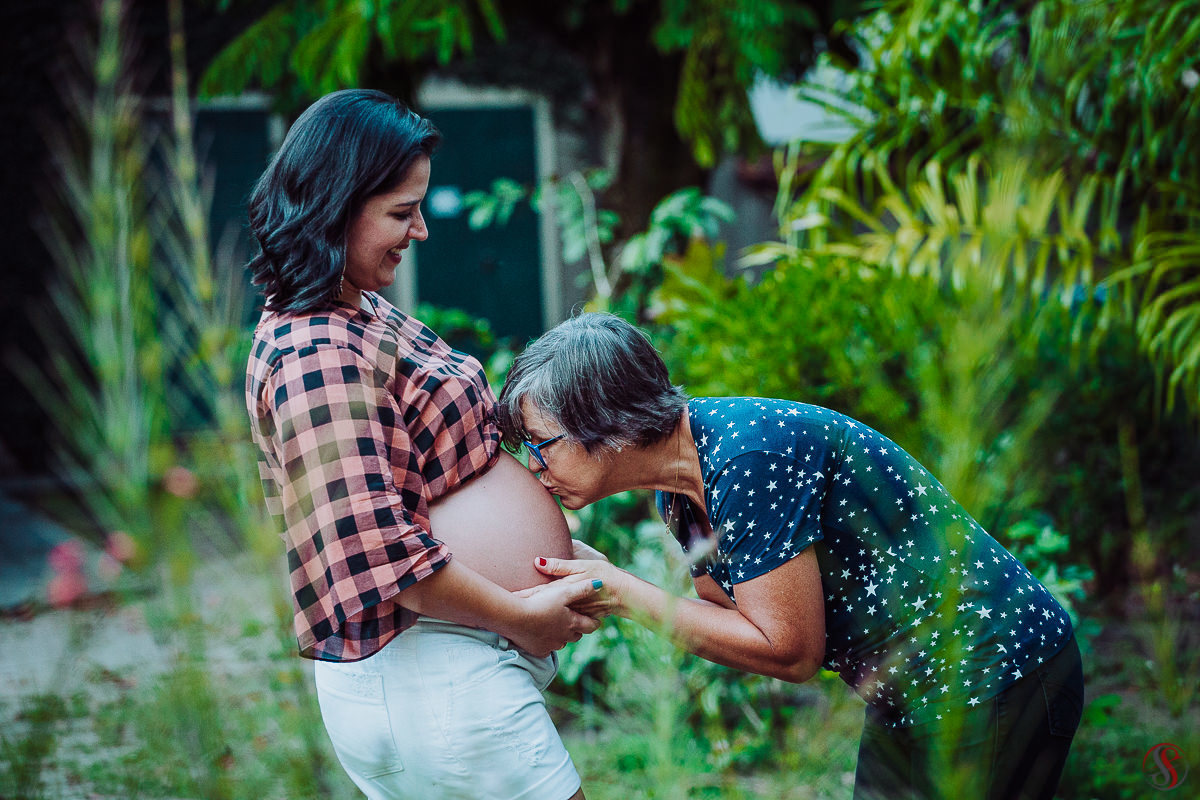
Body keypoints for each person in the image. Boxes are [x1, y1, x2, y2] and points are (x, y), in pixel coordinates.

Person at [497, 312, 1085, 800]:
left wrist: (624, 592)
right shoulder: (680, 486)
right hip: (911, 693)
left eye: (540, 446)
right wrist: (608, 583)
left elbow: (789, 650)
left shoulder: (747, 459)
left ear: (610, 424)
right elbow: (731, 614)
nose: (534, 469)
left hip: (995, 673)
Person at [244, 89, 600, 800]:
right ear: (335, 208)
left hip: (446, 670)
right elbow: (370, 552)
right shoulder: (316, 351)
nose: (421, 232)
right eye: (401, 214)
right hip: (428, 676)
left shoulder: (357, 311)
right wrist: (520, 614)